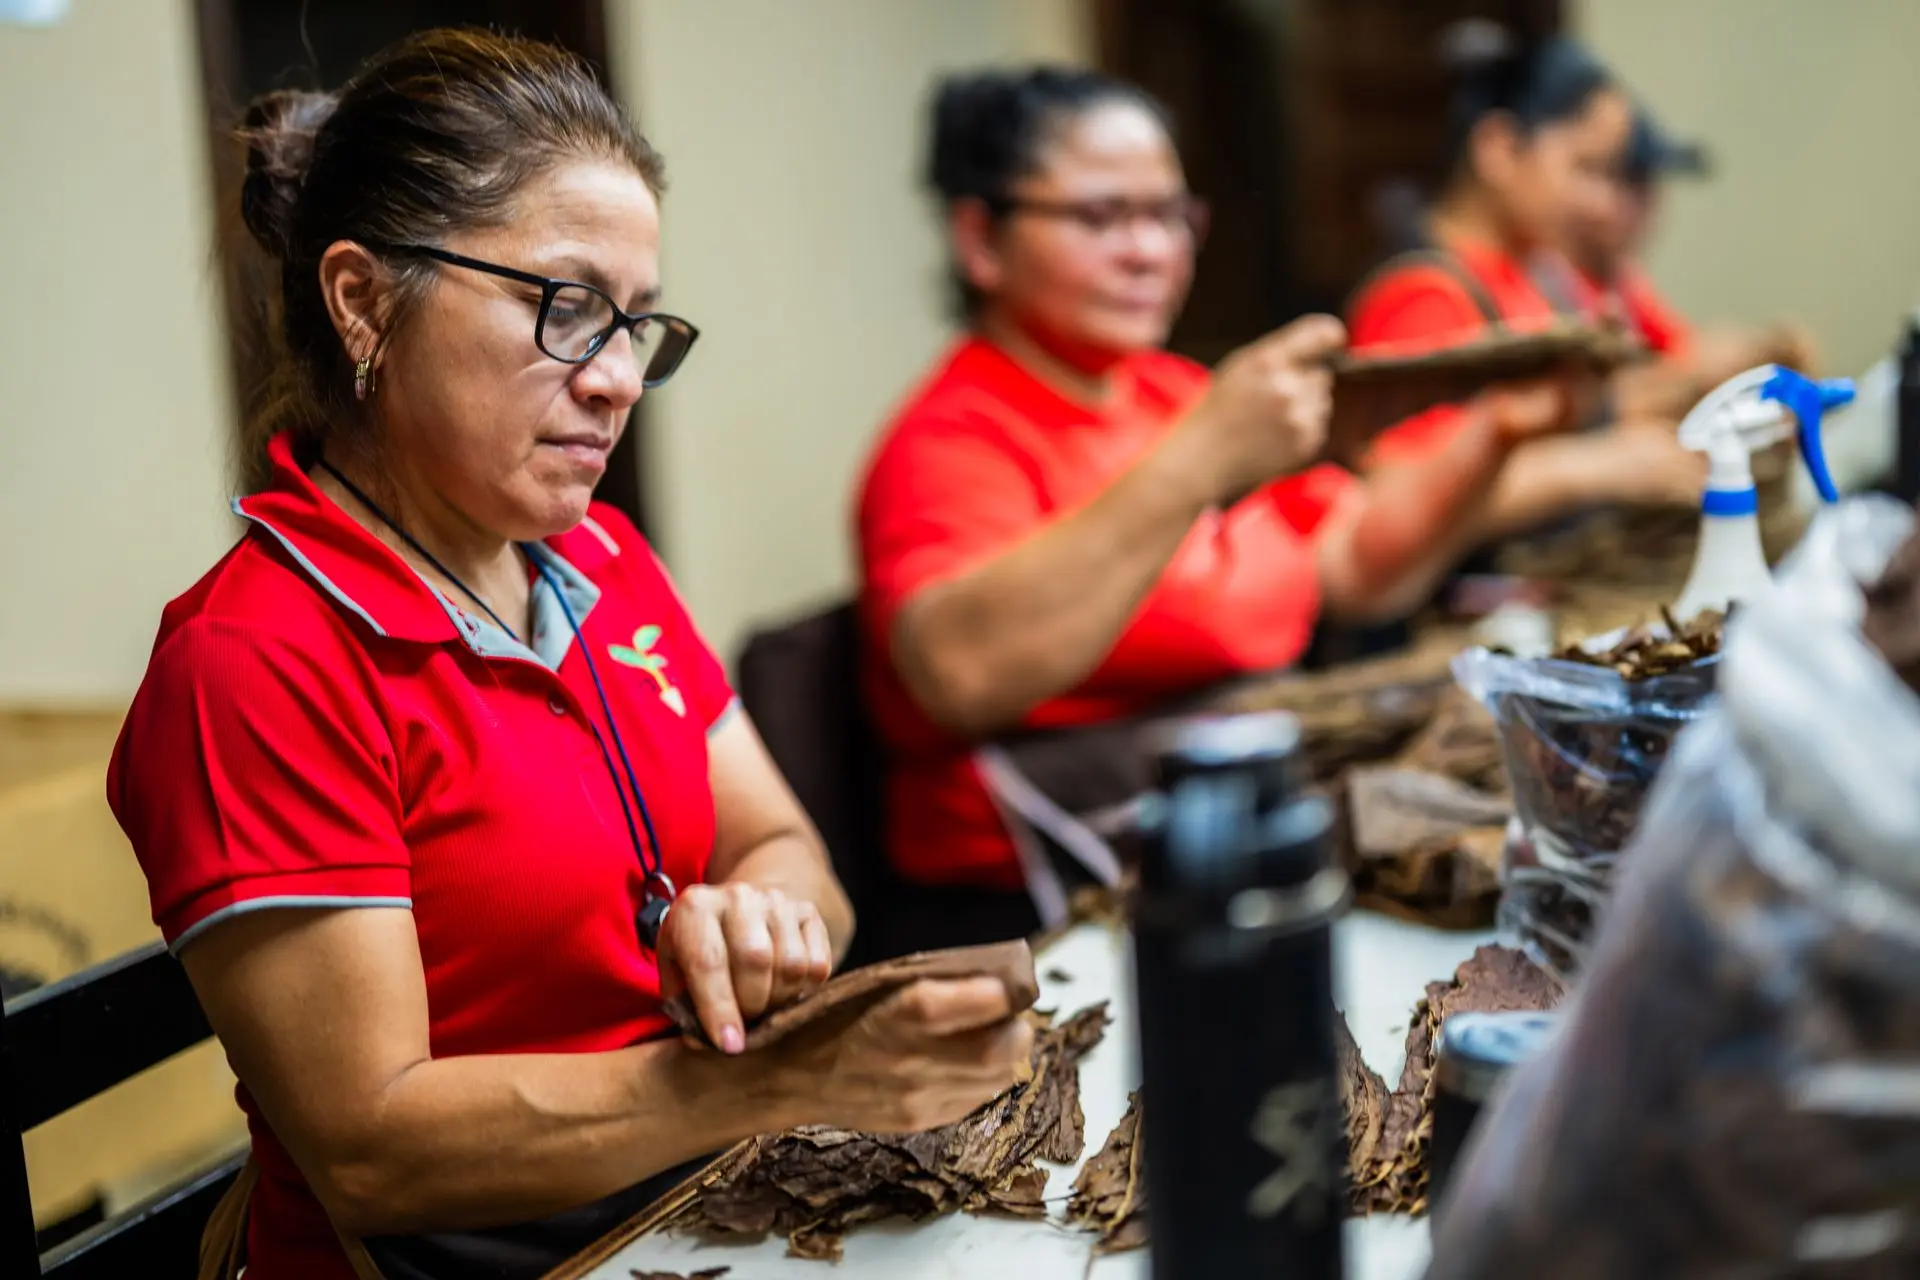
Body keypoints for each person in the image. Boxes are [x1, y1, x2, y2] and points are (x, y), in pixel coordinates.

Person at [108, 31, 1031, 1280]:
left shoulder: (598, 558)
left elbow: (785, 846)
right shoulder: (256, 658)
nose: (617, 381)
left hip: (686, 1213)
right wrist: (768, 1077)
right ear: (364, 299)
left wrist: (766, 922)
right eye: (568, 307)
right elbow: (373, 1147)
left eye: (637, 326)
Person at [854, 66, 1578, 914]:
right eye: (1100, 216)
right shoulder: (951, 437)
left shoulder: (1170, 390)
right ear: (980, 239)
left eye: (1169, 215)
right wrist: (1202, 458)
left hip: (1233, 837)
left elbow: (1351, 565)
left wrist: (1493, 435)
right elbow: (960, 672)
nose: (1151, 251)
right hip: (1041, 910)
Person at [1347, 25, 1706, 533]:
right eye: (1585, 169)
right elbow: (1393, 504)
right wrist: (1599, 466)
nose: (1601, 204)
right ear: (1499, 148)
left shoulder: (1539, 274)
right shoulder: (1422, 294)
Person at [1556, 104, 1818, 420]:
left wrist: (1751, 356)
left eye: (1652, 188)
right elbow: (1597, 409)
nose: (1647, 210)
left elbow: (1680, 351)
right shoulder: (1554, 281)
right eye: (1632, 183)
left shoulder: (1620, 279)